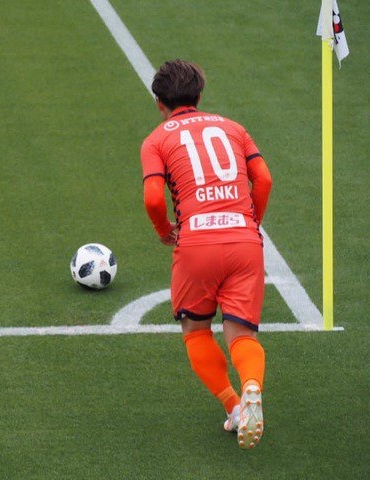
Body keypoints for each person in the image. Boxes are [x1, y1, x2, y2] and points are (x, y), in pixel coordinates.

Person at [140, 59, 272, 450]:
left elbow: (153, 198)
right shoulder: (233, 128)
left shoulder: (155, 140)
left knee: (196, 331)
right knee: (241, 334)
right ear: (199, 94)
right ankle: (252, 385)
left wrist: (164, 231)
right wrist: (250, 221)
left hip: (196, 243)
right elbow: (264, 179)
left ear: (159, 102)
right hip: (244, 240)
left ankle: (234, 406)